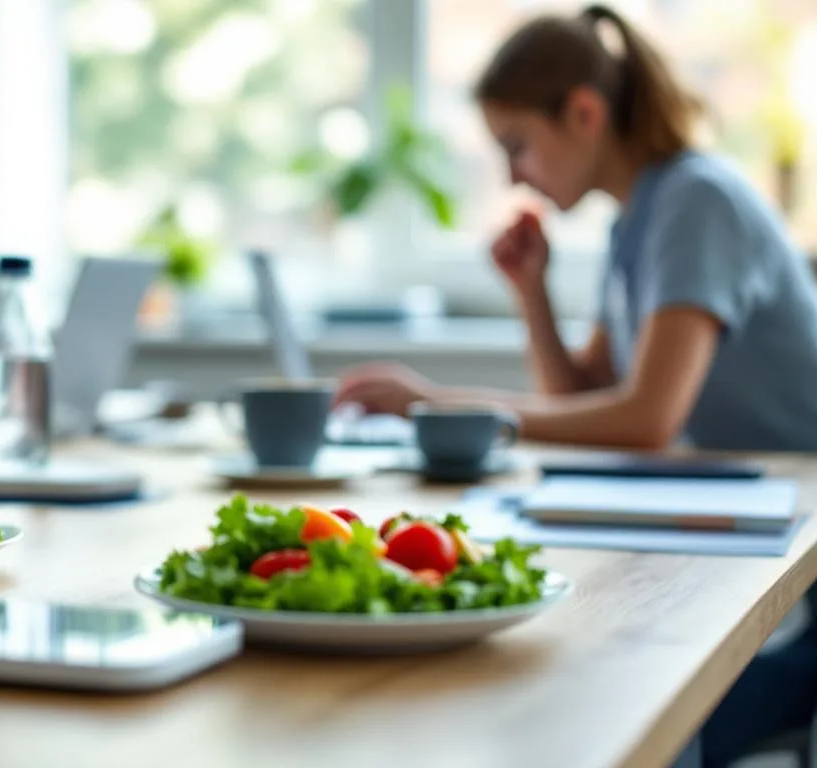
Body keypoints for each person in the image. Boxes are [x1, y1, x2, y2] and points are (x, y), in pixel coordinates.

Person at [334, 5, 817, 766]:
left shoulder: (695, 202)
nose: (511, 175)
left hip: (805, 557)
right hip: (772, 510)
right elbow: (585, 399)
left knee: (604, 702)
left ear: (584, 114)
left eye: (517, 146)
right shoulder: (637, 221)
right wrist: (532, 291)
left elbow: (645, 420)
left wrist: (432, 404)